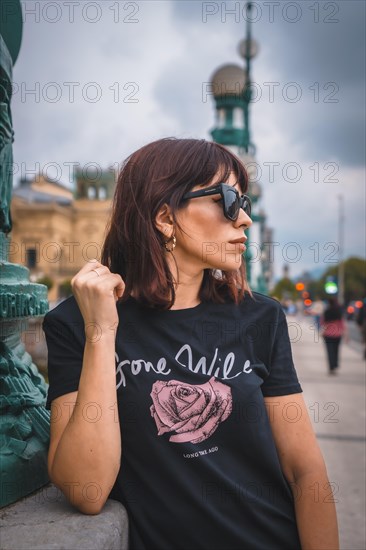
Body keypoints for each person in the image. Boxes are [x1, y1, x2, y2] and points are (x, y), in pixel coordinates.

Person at [43, 138, 339, 550]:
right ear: (165, 217)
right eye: (228, 199)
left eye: (246, 203)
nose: (244, 221)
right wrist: (101, 333)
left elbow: (305, 472)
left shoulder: (259, 318)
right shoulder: (76, 324)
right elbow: (87, 489)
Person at [320, 297, 348, 375]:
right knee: (336, 350)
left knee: (329, 351)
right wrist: (345, 335)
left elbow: (322, 323)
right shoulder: (339, 312)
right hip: (337, 334)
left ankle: (331, 367)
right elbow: (342, 324)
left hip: (328, 334)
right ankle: (335, 364)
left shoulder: (326, 312)